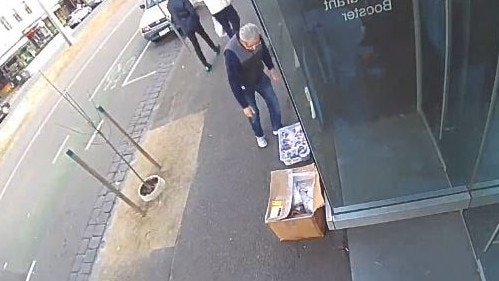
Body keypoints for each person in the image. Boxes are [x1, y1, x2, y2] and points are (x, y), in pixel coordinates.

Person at [224, 23, 282, 148]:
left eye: (257, 44)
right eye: (252, 46)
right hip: (245, 85)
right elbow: (233, 81)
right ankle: (259, 135)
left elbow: (264, 52)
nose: (255, 47)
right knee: (253, 114)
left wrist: (271, 68)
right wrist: (244, 105)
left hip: (259, 76)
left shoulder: (256, 38)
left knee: (273, 101)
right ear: (244, 42)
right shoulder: (231, 53)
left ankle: (277, 127)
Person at [168, 0, 221, 72]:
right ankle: (215, 48)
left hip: (186, 28)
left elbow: (176, 19)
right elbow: (191, 9)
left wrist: (183, 25)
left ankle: (206, 64)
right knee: (204, 36)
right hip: (193, 22)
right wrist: (196, 18)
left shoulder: (169, 5)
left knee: (196, 45)